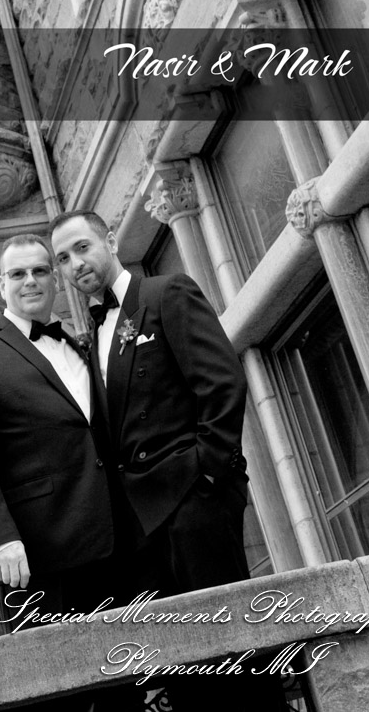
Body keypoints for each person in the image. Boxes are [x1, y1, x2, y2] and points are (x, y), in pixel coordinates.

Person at [50, 210, 279, 711]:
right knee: (182, 665)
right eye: (63, 258)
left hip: (193, 501)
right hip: (141, 526)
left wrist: (211, 477)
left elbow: (222, 383)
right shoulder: (92, 339)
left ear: (110, 240)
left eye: (83, 247)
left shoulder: (166, 294)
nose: (75, 264)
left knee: (231, 648)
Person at [0, 234, 124, 636]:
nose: (30, 281)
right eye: (17, 273)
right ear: (1, 284)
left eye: (40, 271)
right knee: (60, 687)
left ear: (55, 279)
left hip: (114, 545)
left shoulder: (77, 344)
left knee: (123, 677)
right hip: (34, 557)